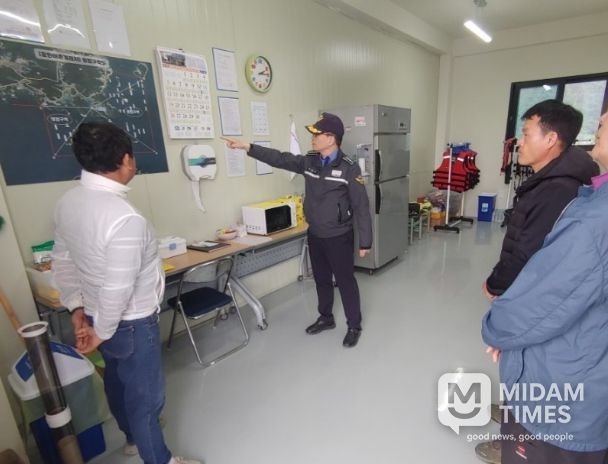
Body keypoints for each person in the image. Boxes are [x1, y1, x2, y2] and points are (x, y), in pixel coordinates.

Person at [52, 122, 201, 464]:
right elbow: (118, 288)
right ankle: (160, 459)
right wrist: (102, 332)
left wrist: (76, 308)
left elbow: (63, 260)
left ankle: (133, 439)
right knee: (145, 399)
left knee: (118, 383)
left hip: (94, 314)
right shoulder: (125, 218)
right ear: (125, 160)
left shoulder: (68, 202)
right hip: (131, 321)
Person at [481, 110, 608, 463]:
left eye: (526, 133)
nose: (519, 141)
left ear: (551, 139)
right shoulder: (585, 193)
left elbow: (545, 283)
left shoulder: (574, 203)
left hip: (566, 382)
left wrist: (500, 327)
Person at [222, 112, 372, 348]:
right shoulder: (310, 161)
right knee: (321, 279)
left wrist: (365, 241)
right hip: (315, 234)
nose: (312, 138)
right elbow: (280, 158)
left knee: (345, 282)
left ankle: (354, 325)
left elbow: (361, 205)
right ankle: (326, 318)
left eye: (317, 134)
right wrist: (249, 147)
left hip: (339, 236)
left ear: (331, 138)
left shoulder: (348, 168)